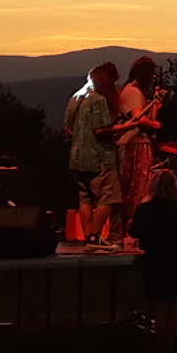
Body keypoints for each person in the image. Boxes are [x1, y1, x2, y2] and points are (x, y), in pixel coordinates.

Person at [132, 169, 177, 353]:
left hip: (156, 259)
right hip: (176, 259)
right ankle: (171, 349)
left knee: (159, 307)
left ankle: (160, 352)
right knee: (172, 306)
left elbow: (133, 231)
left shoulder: (145, 209)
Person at [63, 64, 124, 245]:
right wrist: (128, 126)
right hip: (100, 158)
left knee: (85, 198)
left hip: (78, 158)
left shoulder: (76, 98)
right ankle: (94, 236)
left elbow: (68, 126)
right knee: (108, 197)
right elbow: (101, 129)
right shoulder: (98, 100)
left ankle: (89, 239)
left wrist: (82, 138)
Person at [115, 55, 163, 218]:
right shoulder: (133, 92)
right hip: (135, 143)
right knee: (136, 186)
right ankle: (132, 219)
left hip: (136, 142)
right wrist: (153, 124)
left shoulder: (131, 90)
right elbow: (139, 118)